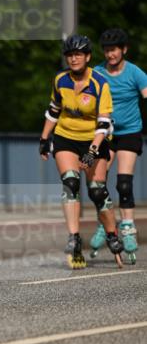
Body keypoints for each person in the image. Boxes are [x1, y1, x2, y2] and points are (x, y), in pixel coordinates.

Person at [38, 34, 123, 269]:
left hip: (94, 139)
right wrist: (44, 139)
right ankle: (74, 239)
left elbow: (104, 125)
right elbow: (54, 110)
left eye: (78, 54)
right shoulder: (60, 80)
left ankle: (111, 234)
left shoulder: (99, 83)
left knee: (97, 190)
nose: (73, 59)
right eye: (69, 55)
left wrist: (92, 152)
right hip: (66, 137)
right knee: (70, 183)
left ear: (87, 57)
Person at [88, 28, 147, 264]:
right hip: (106, 133)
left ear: (124, 50)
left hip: (130, 132)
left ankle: (128, 227)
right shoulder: (98, 72)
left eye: (114, 50)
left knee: (123, 183)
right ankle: (106, 221)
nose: (110, 54)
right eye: (106, 50)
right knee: (97, 185)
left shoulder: (135, 73)